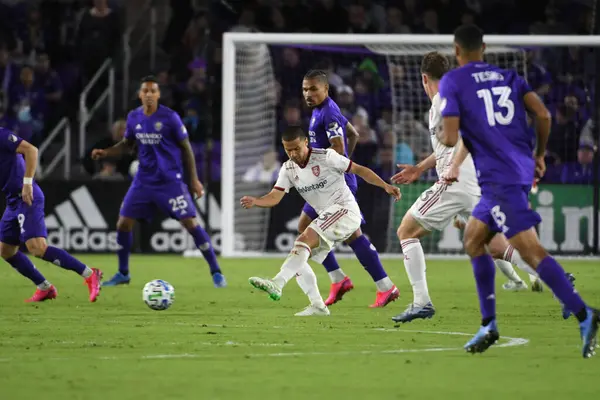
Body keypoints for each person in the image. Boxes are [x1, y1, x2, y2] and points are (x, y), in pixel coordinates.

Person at [438, 24, 598, 357]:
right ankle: (489, 324)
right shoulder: (508, 76)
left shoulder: (454, 80)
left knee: (530, 251)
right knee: (473, 238)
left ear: (456, 50)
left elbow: (451, 138)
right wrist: (539, 154)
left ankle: (584, 314)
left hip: (500, 177)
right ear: (484, 47)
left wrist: (441, 132)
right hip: (518, 167)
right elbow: (542, 113)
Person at [391, 51, 539, 324]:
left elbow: (462, 138)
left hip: (454, 184)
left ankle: (421, 302)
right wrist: (420, 168)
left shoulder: (439, 102)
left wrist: (452, 167)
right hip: (475, 181)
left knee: (406, 231)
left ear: (424, 78)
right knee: (495, 245)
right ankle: (553, 276)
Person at [241, 126, 400, 316]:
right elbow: (275, 196)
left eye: (296, 148)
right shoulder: (288, 168)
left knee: (304, 239)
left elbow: (359, 170)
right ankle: (317, 305)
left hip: (345, 210)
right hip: (328, 215)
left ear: (306, 142)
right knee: (298, 254)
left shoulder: (326, 157)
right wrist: (256, 201)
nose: (293, 154)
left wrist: (385, 186)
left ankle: (277, 283)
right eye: (288, 150)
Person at [92, 75, 226, 288]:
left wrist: (194, 181)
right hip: (143, 181)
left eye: (153, 91)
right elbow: (127, 144)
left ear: (158, 95)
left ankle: (216, 271)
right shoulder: (134, 117)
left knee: (190, 223)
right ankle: (123, 273)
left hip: (170, 182)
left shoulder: (170, 118)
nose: (149, 95)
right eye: (145, 91)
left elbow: (186, 149)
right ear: (140, 94)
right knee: (123, 223)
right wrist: (106, 152)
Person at [300, 69, 398, 308]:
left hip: (333, 185)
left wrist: (337, 165)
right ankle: (359, 282)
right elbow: (353, 134)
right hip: (327, 183)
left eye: (313, 89)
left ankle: (355, 281)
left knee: (324, 232)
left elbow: (338, 146)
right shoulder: (322, 110)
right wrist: (343, 163)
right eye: (305, 89)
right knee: (342, 234)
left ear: (326, 89)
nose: (308, 94)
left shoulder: (329, 113)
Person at [0, 128, 102, 302]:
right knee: (6, 250)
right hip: (12, 201)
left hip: (27, 196)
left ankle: (90, 274)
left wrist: (27, 183)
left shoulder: (2, 135)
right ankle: (44, 287)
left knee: (37, 248)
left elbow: (31, 150)